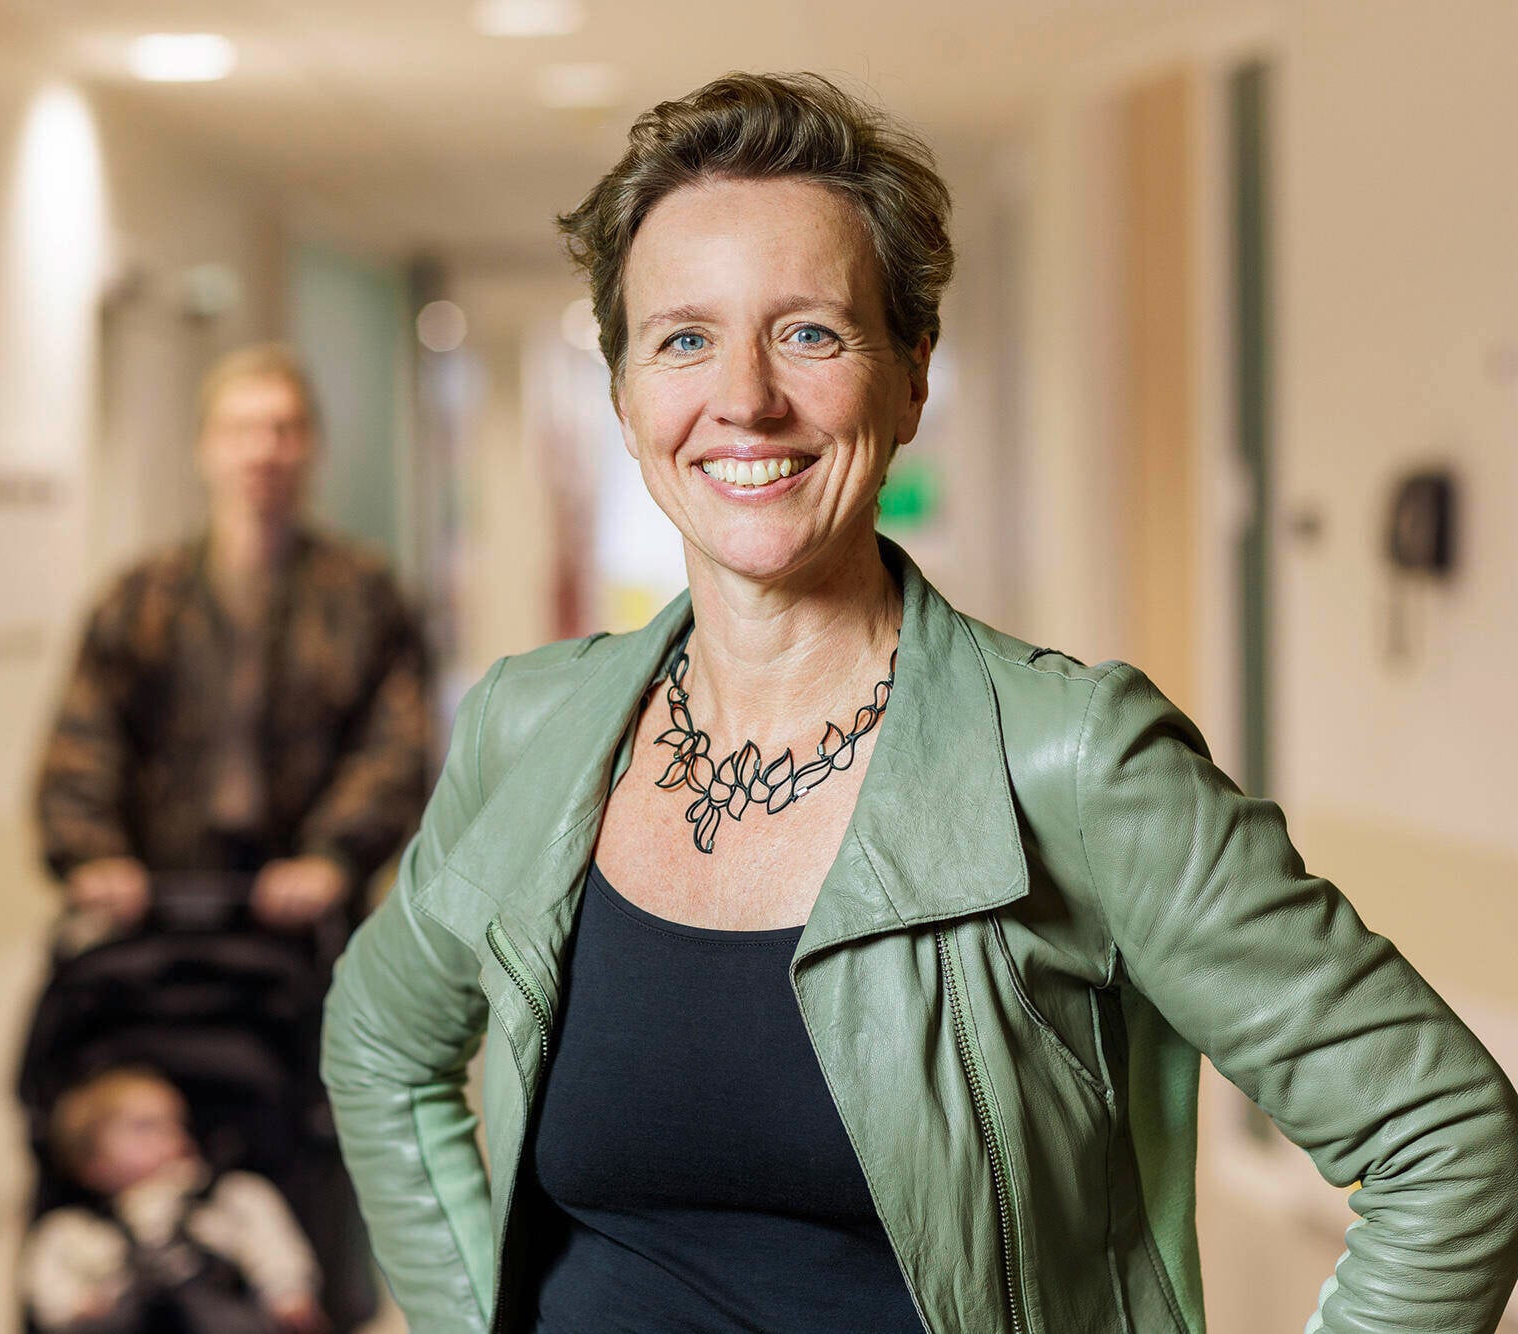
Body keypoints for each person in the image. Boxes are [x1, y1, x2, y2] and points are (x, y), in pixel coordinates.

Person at [320, 72, 1518, 1333]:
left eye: (808, 334)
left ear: (908, 381)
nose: (744, 397)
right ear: (623, 398)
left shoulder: (1072, 762)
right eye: (681, 339)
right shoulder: (530, 729)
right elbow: (378, 1043)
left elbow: (1443, 1141)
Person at [36, 341, 430, 1328]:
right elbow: (83, 740)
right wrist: (91, 854)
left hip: (299, 912)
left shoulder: (360, 593)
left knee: (308, 1120)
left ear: (311, 449)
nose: (265, 448)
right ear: (206, 447)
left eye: (284, 428)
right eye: (244, 428)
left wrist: (333, 855)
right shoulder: (142, 598)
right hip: (153, 911)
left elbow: (395, 744)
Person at [21, 1067, 329, 1334]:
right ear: (92, 1160)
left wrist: (288, 1293)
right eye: (145, 1126)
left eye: (177, 1124)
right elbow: (48, 1287)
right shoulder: (74, 1230)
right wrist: (76, 1306)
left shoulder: (228, 1196)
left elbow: (271, 1244)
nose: (171, 1136)